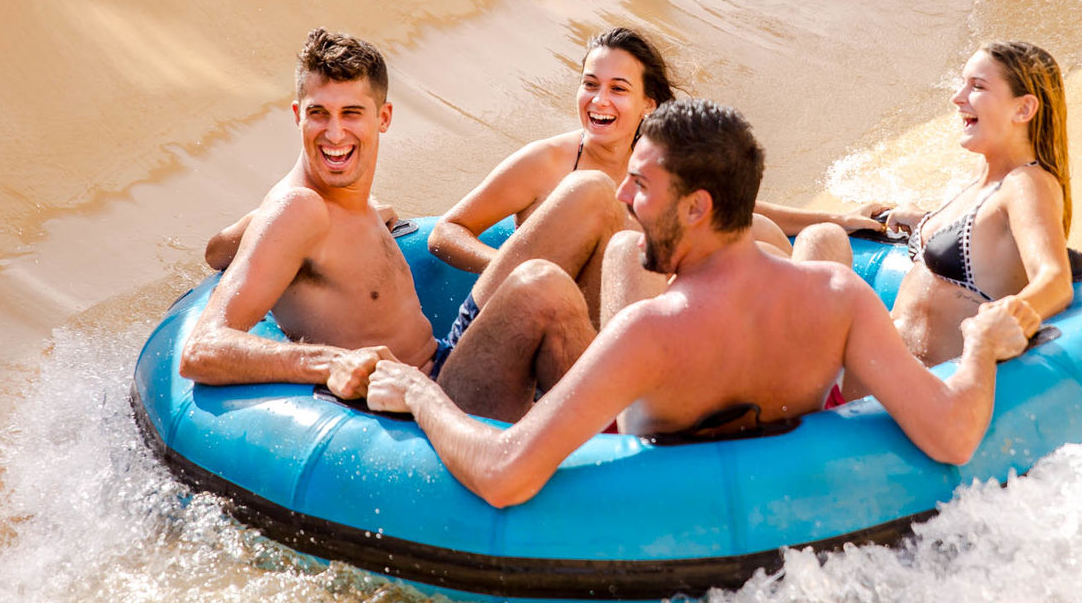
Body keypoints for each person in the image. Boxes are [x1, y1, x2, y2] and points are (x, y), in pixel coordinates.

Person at [360, 99, 1036, 508]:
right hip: (782, 503)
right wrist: (980, 345)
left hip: (630, 498)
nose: (624, 199)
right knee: (635, 252)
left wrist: (423, 399)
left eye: (640, 187)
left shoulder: (648, 332)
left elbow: (505, 476)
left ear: (698, 207)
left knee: (573, 277)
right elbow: (952, 434)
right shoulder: (839, 297)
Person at [180, 28, 596, 423]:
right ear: (297, 116)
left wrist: (255, 226)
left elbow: (220, 249)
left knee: (589, 194)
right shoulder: (299, 209)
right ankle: (622, 449)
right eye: (318, 113)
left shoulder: (337, 203)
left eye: (352, 113)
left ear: (384, 117)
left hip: (446, 360)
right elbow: (200, 349)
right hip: (429, 403)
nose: (335, 132)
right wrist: (331, 362)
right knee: (543, 285)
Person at [424, 27, 885, 351]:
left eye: (618, 89)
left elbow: (731, 209)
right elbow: (446, 232)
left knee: (760, 231)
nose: (599, 101)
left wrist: (836, 219)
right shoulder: (546, 162)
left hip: (627, 324)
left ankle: (811, 355)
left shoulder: (656, 163)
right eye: (590, 85)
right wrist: (523, 268)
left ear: (649, 103)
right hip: (553, 319)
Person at [807, 41, 1074, 395]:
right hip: (868, 370)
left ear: (1024, 108)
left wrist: (1014, 313)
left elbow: (1055, 279)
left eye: (977, 87)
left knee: (816, 243)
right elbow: (981, 243)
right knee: (822, 238)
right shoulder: (983, 181)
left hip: (909, 389)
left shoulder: (1027, 183)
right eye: (963, 84)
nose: (958, 97)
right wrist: (922, 222)